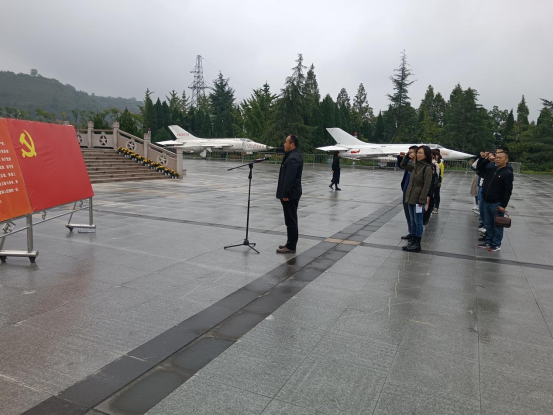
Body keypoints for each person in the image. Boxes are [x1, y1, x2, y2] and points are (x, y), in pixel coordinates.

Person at [476, 150, 514, 252]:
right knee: (488, 224)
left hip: (497, 203)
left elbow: (508, 191)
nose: (497, 159)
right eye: (496, 157)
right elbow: (479, 168)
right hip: (486, 201)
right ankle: (488, 241)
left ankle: (496, 244)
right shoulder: (492, 169)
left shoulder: (507, 173)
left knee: (497, 224)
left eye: (500, 158)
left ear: (506, 160)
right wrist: (487, 160)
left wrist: (503, 205)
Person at [399, 145, 433, 252]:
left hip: (418, 198)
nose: (418, 155)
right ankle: (413, 240)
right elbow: (403, 165)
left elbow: (426, 186)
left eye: (420, 153)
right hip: (410, 196)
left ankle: (417, 243)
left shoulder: (427, 168)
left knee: (418, 221)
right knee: (412, 221)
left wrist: (422, 200)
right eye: (417, 152)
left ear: (426, 155)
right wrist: (407, 157)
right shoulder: (415, 166)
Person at [276, 134, 303, 254]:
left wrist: (285, 194)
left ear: (292, 144)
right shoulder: (293, 155)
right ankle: (289, 243)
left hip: (290, 195)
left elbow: (289, 178)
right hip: (291, 193)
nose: (284, 144)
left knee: (291, 220)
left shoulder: (293, 158)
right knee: (290, 219)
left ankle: (291, 246)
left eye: (286, 142)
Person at [397, 146, 418, 240]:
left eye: (411, 152)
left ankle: (415, 235)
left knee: (414, 216)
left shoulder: (419, 165)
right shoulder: (409, 163)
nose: (409, 154)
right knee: (408, 214)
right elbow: (401, 165)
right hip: (406, 191)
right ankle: (411, 232)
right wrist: (401, 158)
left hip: (414, 193)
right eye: (408, 152)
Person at [432, 150, 444, 214]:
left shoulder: (440, 164)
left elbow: (441, 174)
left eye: (436, 155)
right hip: (432, 182)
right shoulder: (432, 163)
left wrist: (439, 182)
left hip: (437, 182)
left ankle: (436, 207)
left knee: (436, 195)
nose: (435, 156)